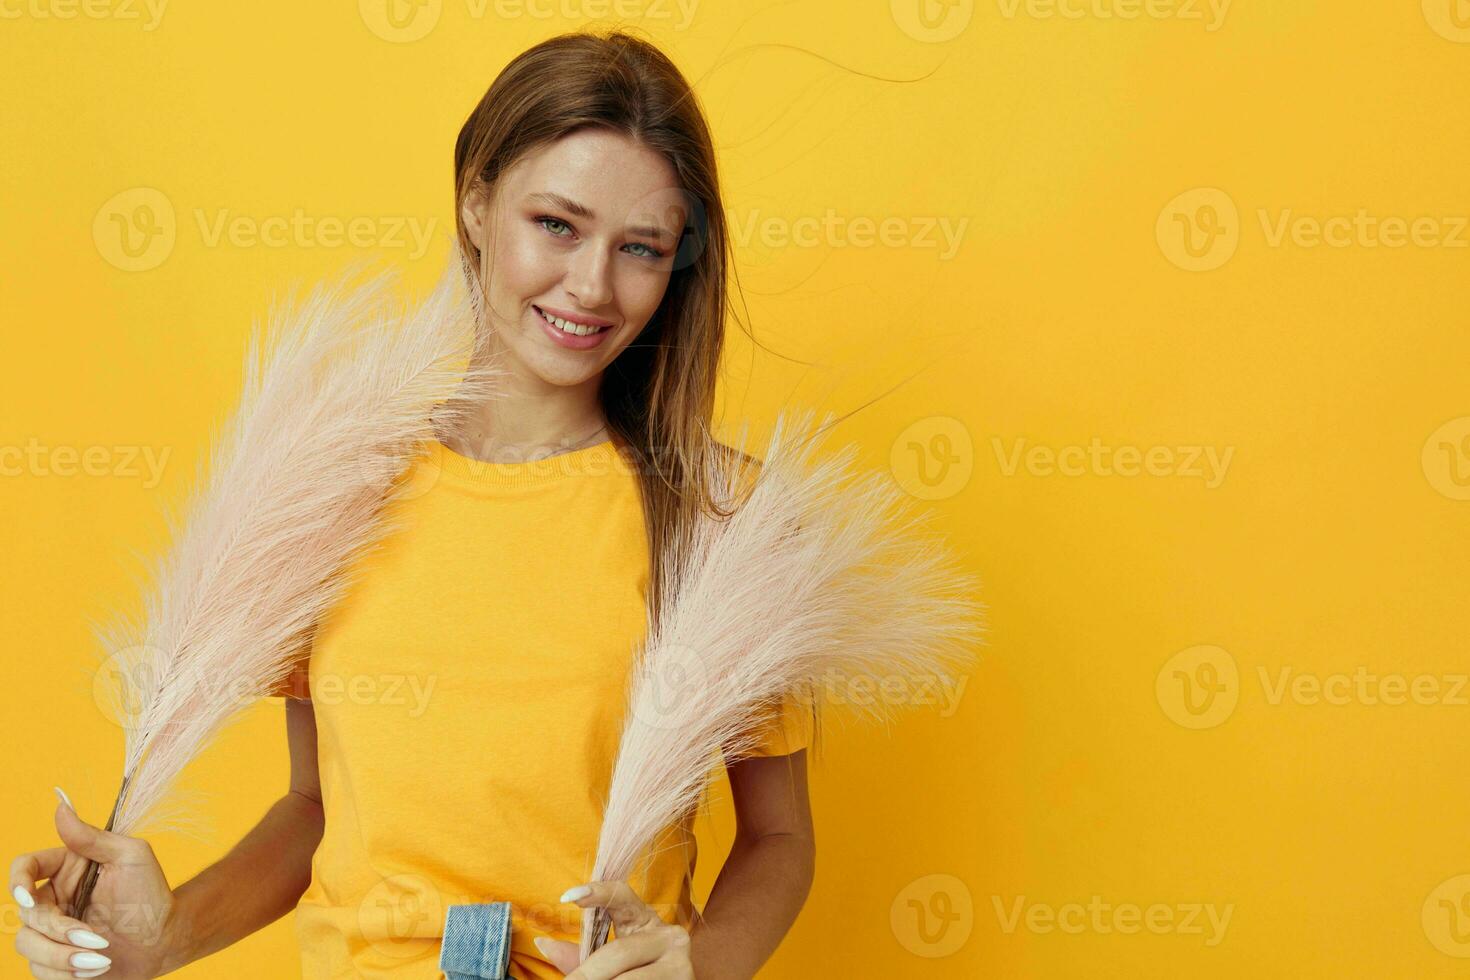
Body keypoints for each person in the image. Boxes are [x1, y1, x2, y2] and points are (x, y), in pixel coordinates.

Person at [8, 29, 817, 980]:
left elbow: (778, 837)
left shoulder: (725, 518)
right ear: (477, 203)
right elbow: (314, 810)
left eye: (640, 248)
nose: (592, 286)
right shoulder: (330, 481)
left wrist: (705, 964)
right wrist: (165, 933)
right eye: (555, 224)